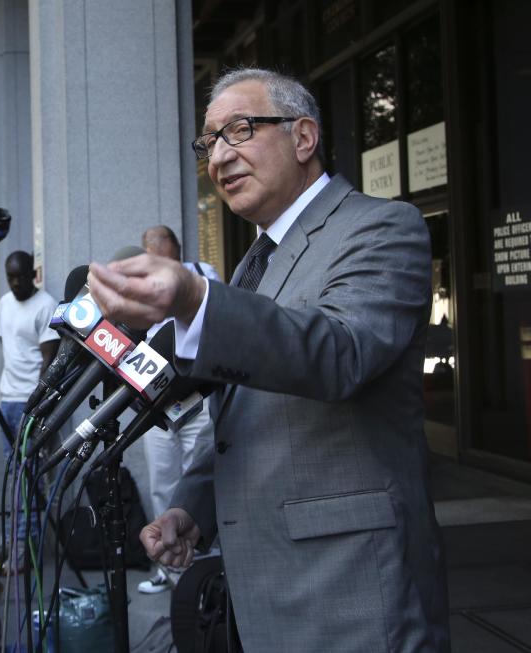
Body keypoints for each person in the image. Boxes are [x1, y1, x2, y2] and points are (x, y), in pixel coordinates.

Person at [88, 68, 449, 651]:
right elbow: (245, 413)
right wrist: (190, 506)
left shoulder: (382, 227)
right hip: (266, 590)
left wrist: (195, 298)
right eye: (208, 142)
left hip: (352, 589)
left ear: (303, 137)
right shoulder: (258, 261)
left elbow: (339, 353)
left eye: (239, 130)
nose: (219, 157)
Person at [135, 225, 220, 595]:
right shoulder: (138, 285)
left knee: (197, 479)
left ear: (179, 252)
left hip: (196, 402)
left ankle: (202, 570)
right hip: (158, 406)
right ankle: (167, 570)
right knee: (162, 485)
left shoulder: (203, 275)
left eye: (169, 259)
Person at [0, 251, 59, 564]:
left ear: (33, 274)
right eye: (10, 277)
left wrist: (36, 405)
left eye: (20, 277)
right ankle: (15, 544)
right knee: (14, 476)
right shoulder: (3, 303)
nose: (15, 283)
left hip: (32, 402)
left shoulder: (46, 305)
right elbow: (7, 348)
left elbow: (49, 360)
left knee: (28, 477)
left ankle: (24, 551)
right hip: (7, 399)